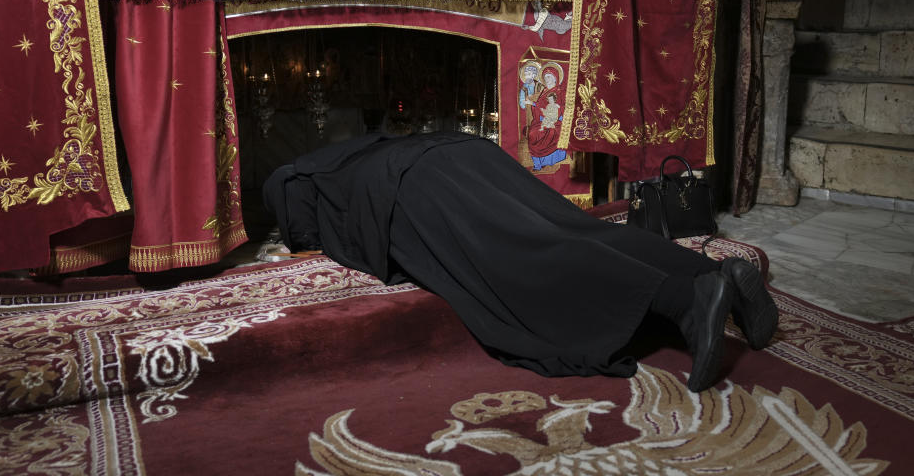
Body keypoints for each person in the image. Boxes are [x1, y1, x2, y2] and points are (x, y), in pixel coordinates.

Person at [263, 131, 778, 392]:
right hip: (462, 149)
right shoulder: (350, 151)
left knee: (521, 260)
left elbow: (315, 234)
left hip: (417, 186)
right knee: (575, 228)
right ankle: (713, 274)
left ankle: (687, 300)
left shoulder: (293, 181)